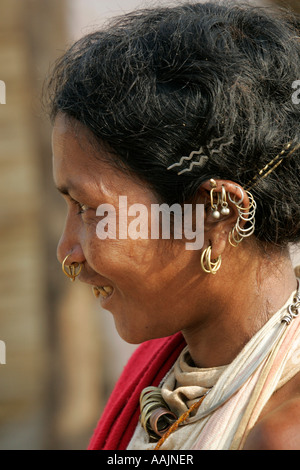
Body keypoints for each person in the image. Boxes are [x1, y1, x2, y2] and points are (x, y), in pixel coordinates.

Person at [46, 1, 300, 450]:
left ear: (213, 215)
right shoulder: (157, 378)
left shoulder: (283, 431)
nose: (69, 254)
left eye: (89, 209)